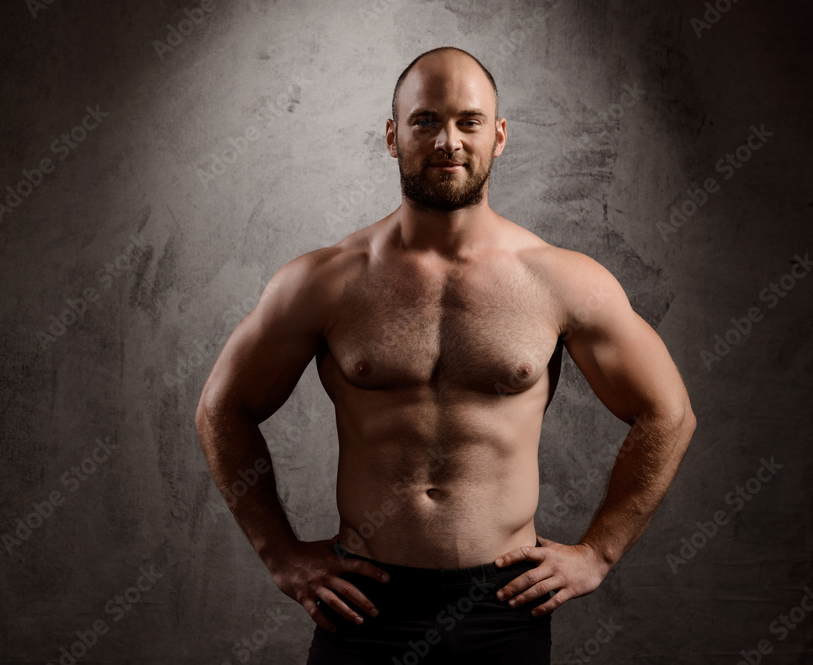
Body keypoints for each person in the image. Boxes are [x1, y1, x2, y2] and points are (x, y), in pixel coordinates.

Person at [195, 46, 696, 664]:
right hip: (364, 603)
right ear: (391, 135)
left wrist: (599, 552)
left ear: (500, 136)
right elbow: (221, 409)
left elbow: (667, 413)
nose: (447, 141)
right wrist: (281, 554)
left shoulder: (561, 280)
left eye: (469, 121)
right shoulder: (324, 281)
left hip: (503, 604)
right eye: (425, 120)